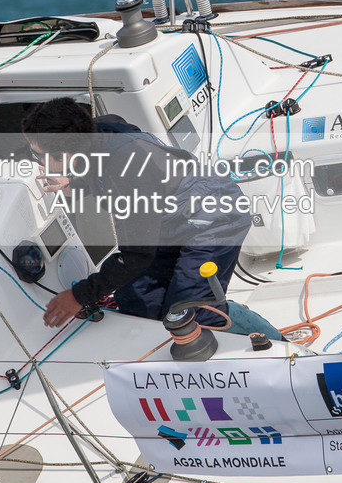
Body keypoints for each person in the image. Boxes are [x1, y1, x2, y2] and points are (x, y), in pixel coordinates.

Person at [22, 98, 251, 329]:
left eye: (39, 156)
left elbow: (136, 255)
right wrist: (74, 184)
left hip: (214, 221)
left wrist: (78, 296)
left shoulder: (127, 171)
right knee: (136, 302)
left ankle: (253, 335)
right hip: (170, 222)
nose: (37, 162)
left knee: (188, 315)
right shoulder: (97, 130)